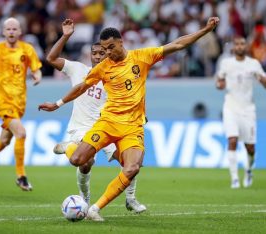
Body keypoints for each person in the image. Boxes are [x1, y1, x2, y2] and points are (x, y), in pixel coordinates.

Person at [39, 17, 220, 221]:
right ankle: (70, 147)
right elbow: (81, 87)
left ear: (121, 42)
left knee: (133, 167)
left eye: (110, 48)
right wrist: (58, 103)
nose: (107, 53)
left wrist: (205, 30)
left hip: (133, 127)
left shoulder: (142, 57)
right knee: (78, 160)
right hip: (108, 122)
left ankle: (95, 208)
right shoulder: (102, 68)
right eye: (103, 50)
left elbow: (178, 44)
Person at [46, 19, 146, 213]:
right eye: (95, 53)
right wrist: (66, 36)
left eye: (102, 52)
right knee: (86, 163)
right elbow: (50, 58)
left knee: (129, 161)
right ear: (89, 55)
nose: (99, 56)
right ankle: (84, 199)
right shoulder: (79, 70)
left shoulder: (115, 73)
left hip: (108, 125)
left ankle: (131, 199)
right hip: (82, 127)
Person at [0, 17, 42, 191]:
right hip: (2, 99)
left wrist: (37, 76)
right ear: (3, 32)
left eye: (14, 29)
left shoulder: (27, 49)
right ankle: (21, 176)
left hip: (20, 102)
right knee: (21, 133)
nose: (11, 32)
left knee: (5, 140)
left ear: (20, 32)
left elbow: (36, 69)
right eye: (8, 29)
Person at [216, 36, 266, 189]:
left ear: (246, 46)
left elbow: (264, 81)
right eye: (237, 44)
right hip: (231, 107)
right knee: (232, 140)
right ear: (233, 47)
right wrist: (220, 84)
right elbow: (219, 81)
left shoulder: (253, 64)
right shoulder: (226, 63)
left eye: (242, 44)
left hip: (248, 109)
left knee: (250, 147)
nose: (239, 46)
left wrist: (262, 80)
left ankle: (249, 170)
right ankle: (234, 178)